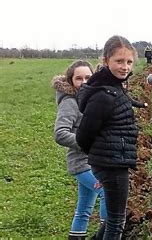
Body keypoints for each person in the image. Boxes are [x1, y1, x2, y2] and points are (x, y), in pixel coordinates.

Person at [76, 35, 139, 239]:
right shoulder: (104, 95)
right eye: (119, 61)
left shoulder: (114, 86)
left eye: (129, 62)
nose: (125, 67)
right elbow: (83, 136)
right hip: (111, 164)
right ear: (105, 61)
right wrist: (103, 155)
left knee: (114, 218)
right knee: (116, 222)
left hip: (114, 160)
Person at [52, 60, 106, 240]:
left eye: (88, 77)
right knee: (107, 192)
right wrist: (86, 142)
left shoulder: (90, 99)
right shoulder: (70, 102)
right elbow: (60, 133)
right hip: (82, 164)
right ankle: (106, 233)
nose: (84, 82)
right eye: (79, 78)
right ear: (71, 81)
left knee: (84, 207)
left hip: (94, 160)